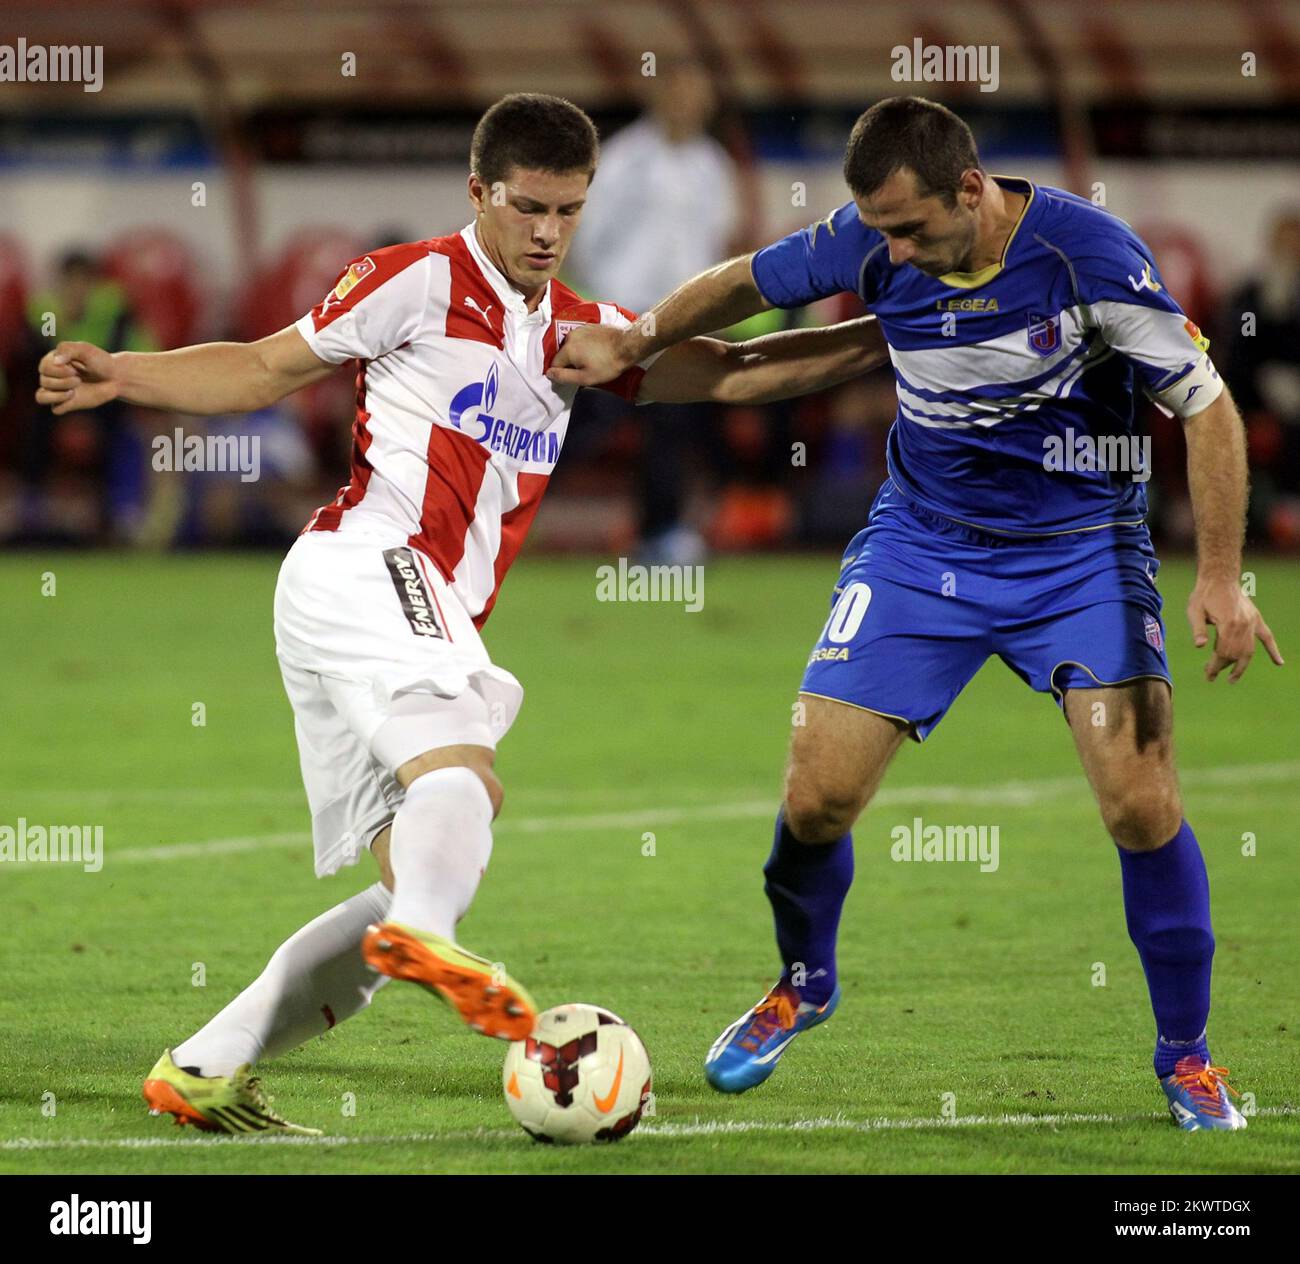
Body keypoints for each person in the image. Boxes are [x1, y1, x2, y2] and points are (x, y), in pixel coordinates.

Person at [37, 93, 889, 1135]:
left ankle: (206, 1063)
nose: (546, 232)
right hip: (369, 563)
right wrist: (121, 372)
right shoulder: (418, 280)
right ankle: (429, 935)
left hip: (393, 604)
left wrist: (899, 339)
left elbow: (738, 374)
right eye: (528, 206)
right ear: (478, 191)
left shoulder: (581, 333)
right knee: (464, 781)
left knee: (416, 871)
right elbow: (265, 365)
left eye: (568, 211)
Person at [548, 96, 1283, 1132]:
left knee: (1138, 800)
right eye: (876, 230)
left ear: (970, 189)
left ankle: (1187, 1054)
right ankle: (802, 984)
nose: (885, 251)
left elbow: (1206, 408)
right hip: (920, 548)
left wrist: (1218, 578)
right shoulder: (878, 235)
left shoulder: (1092, 261)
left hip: (1079, 558)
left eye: (908, 229)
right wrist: (636, 337)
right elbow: (745, 284)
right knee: (815, 796)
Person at [564, 56, 744, 563]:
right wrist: (604, 309)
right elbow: (587, 238)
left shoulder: (713, 165)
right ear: (661, 95)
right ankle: (499, 512)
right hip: (621, 316)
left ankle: (660, 533)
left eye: (701, 95)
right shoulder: (623, 160)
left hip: (679, 320)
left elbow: (717, 245)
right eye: (684, 92)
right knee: (573, 426)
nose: (693, 104)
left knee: (670, 429)